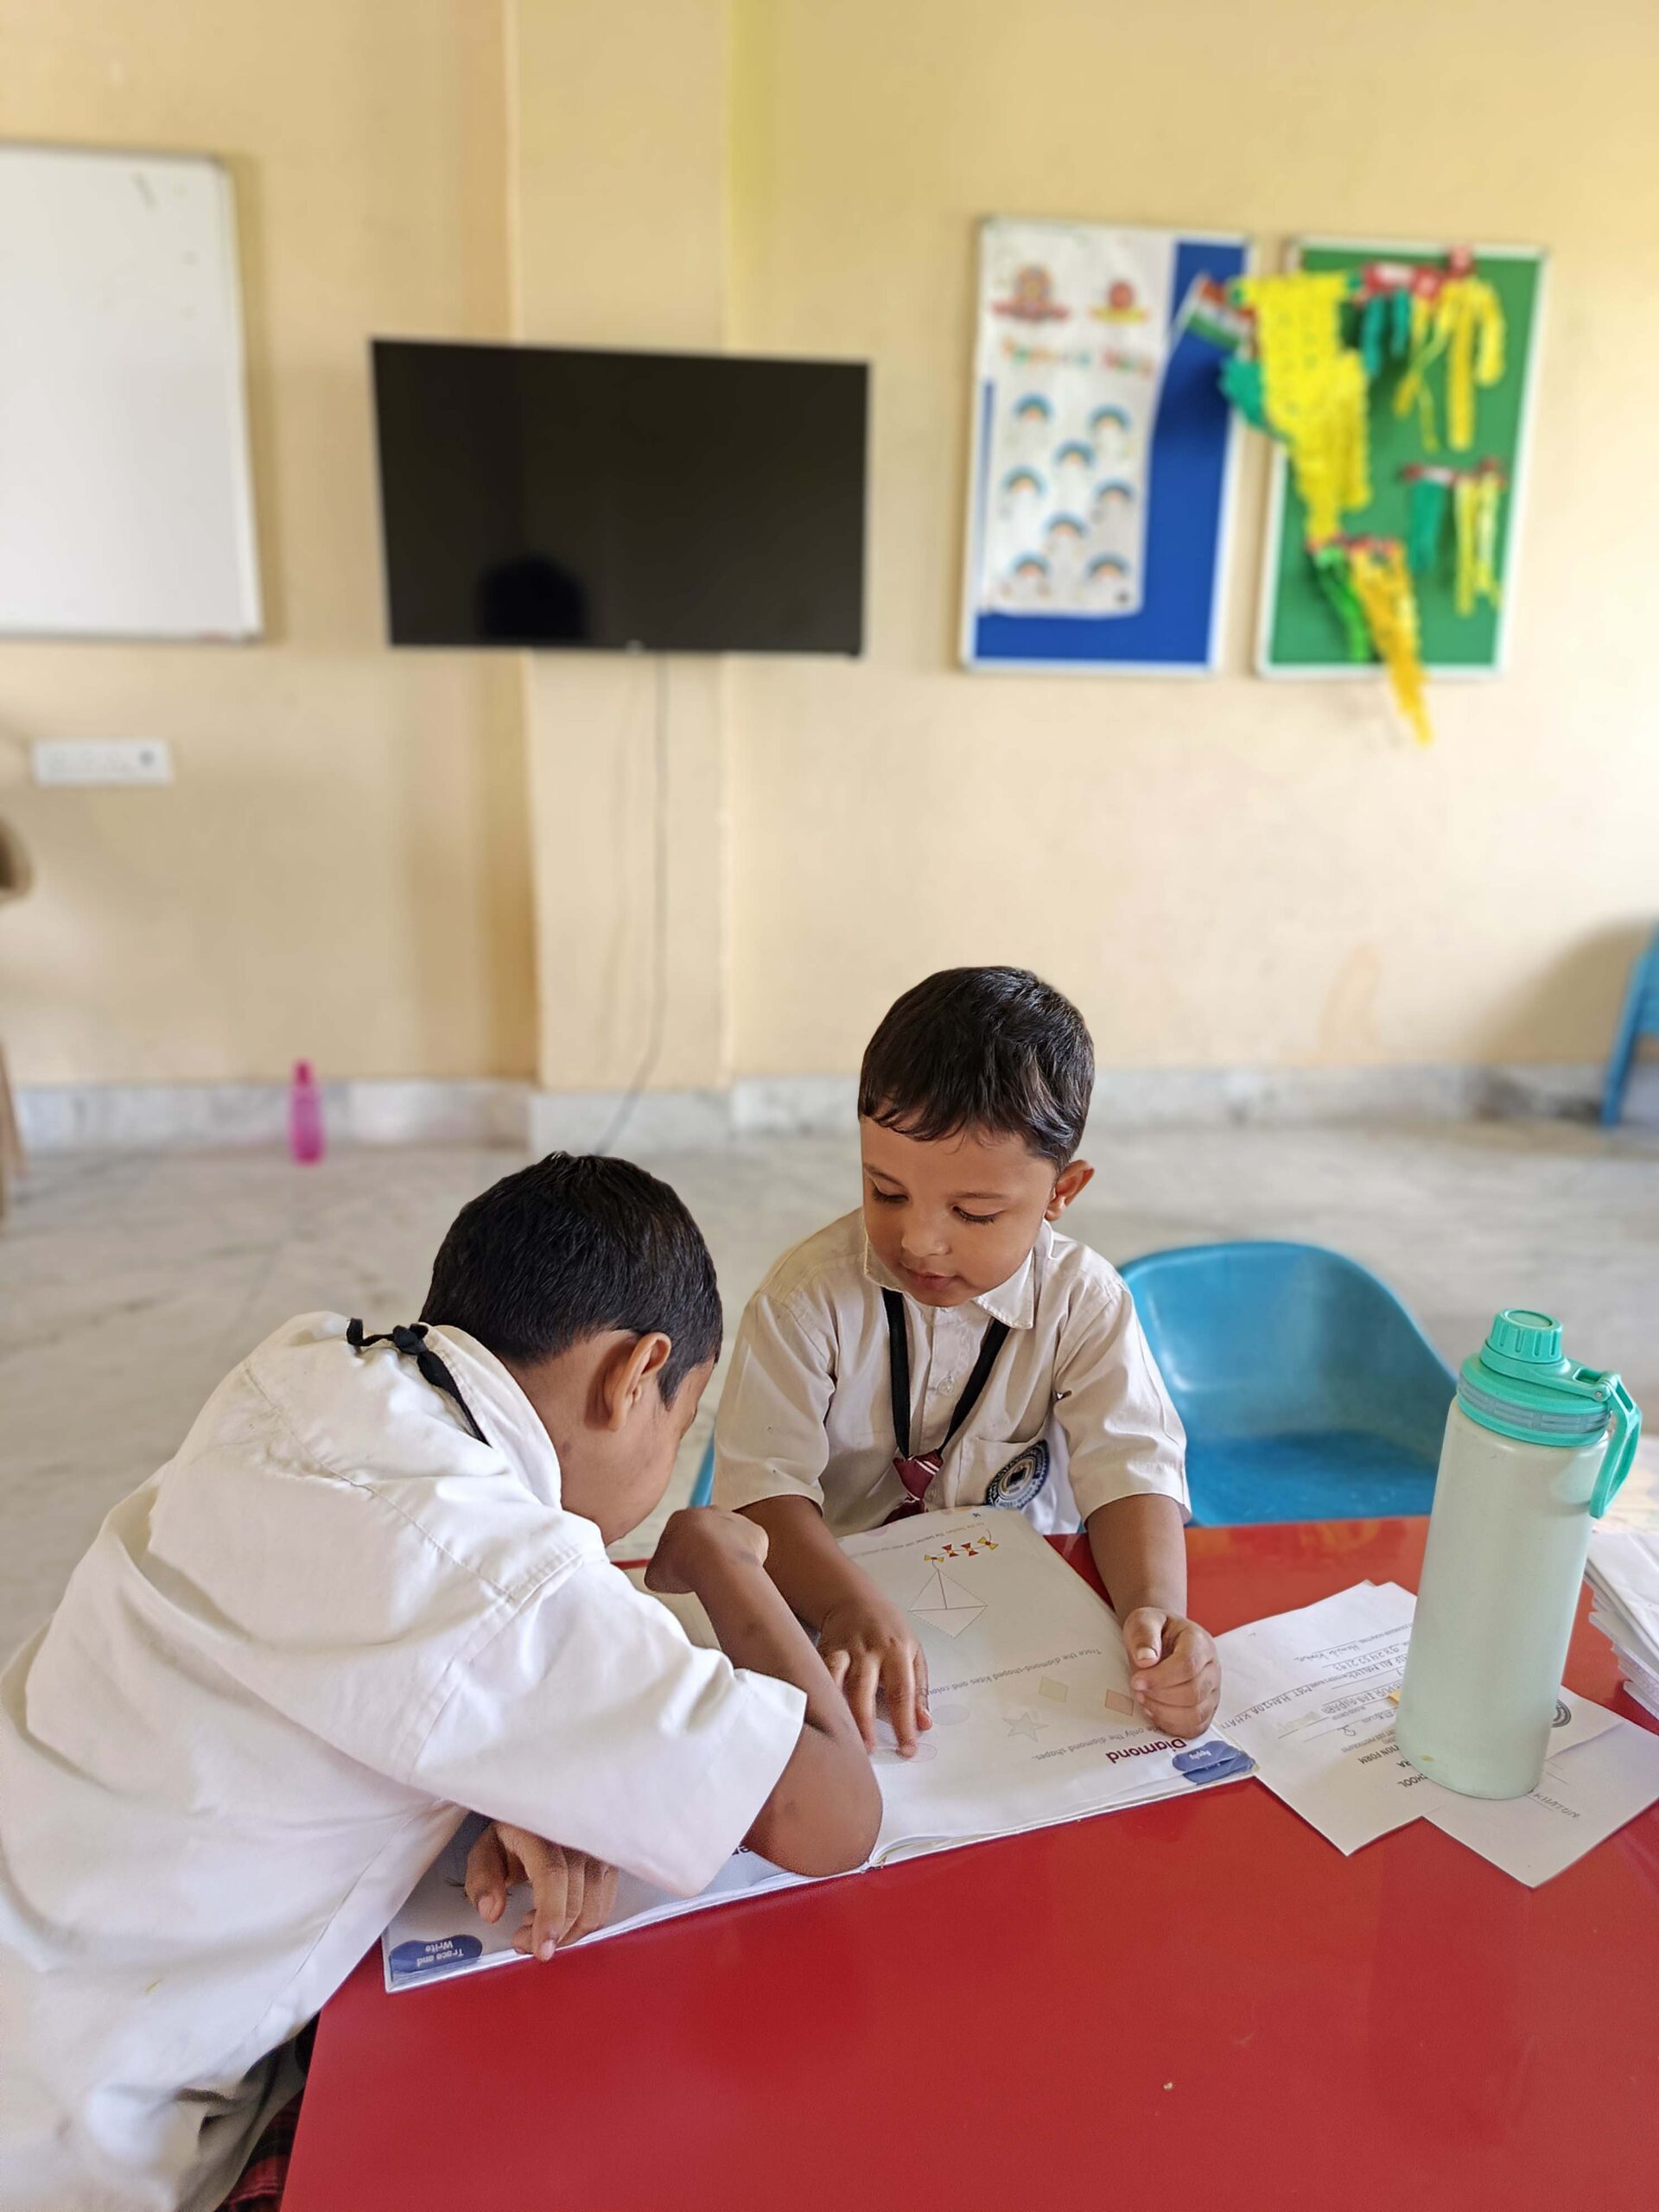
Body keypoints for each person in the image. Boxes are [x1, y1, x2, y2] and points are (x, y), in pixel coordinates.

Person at [0, 1154, 877, 2212]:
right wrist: (725, 1558)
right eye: (680, 1420)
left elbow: (379, 1663)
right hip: (86, 2140)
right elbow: (835, 1813)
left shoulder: (303, 1367)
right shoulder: (496, 1576)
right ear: (634, 1374)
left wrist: (523, 1774)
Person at [714, 966, 1220, 1756]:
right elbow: (762, 1493)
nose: (920, 1240)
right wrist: (847, 1606)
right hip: (837, 1599)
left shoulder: (1083, 1301)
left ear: (1062, 1192)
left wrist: (1156, 1614)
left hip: (1024, 1611)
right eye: (886, 1192)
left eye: (974, 1212)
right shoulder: (805, 1300)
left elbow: (1131, 1468)